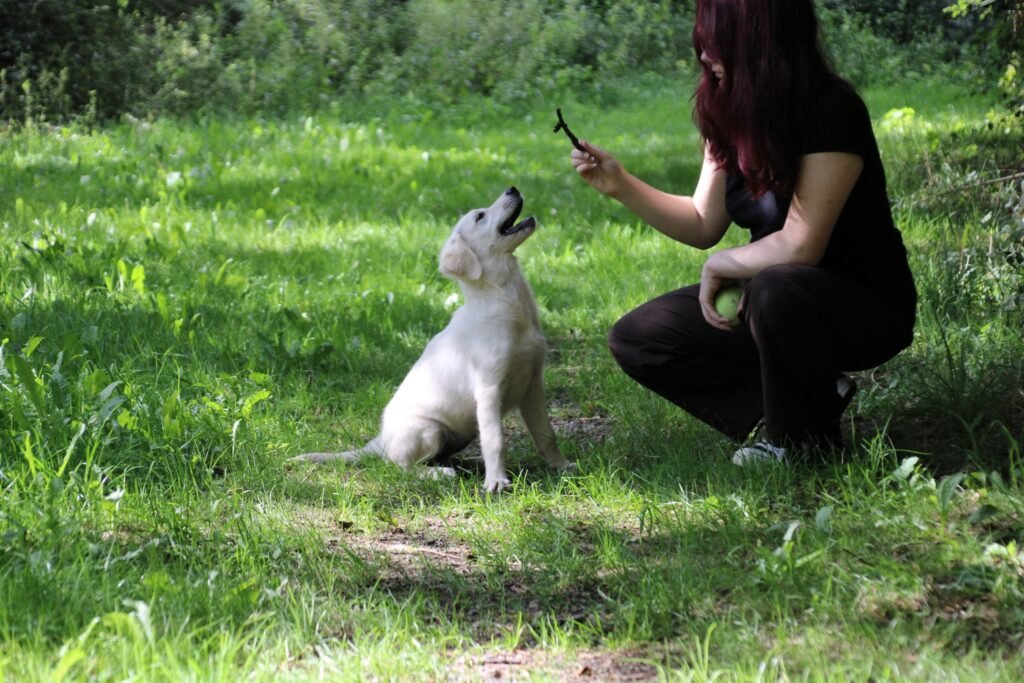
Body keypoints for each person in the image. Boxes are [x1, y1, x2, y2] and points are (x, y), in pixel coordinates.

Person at [570, 0, 916, 465]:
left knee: (774, 286)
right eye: (702, 40)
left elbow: (801, 244)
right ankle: (809, 398)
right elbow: (702, 221)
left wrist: (723, 264)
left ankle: (796, 442)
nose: (703, 54)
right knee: (640, 338)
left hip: (862, 308)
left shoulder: (832, 109)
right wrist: (621, 185)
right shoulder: (731, 113)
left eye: (716, 41)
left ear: (759, 42)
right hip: (769, 307)